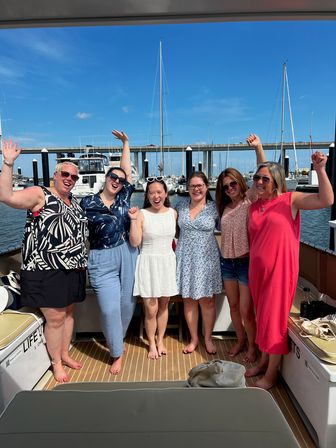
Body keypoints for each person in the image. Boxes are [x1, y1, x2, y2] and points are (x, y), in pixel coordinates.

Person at [0, 140, 88, 383]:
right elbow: (5, 196)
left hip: (73, 268)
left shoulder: (74, 203)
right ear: (55, 175)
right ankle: (56, 363)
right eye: (65, 174)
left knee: (69, 312)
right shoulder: (41, 194)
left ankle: (65, 353)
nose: (70, 179)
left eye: (74, 176)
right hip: (45, 269)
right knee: (56, 317)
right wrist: (8, 163)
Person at [246, 151, 334, 389]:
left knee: (273, 320)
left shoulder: (290, 200)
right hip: (257, 271)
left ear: (276, 180)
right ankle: (264, 361)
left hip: (279, 271)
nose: (260, 182)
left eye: (266, 179)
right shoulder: (254, 205)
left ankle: (271, 375)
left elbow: (326, 200)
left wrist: (321, 170)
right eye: (257, 178)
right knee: (261, 316)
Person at [80, 130, 138, 375]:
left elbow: (126, 170)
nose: (117, 181)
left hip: (127, 252)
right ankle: (117, 352)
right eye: (113, 177)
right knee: (108, 308)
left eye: (121, 180)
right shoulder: (87, 203)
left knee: (127, 303)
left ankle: (116, 340)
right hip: (101, 257)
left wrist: (126, 143)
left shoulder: (124, 198)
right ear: (106, 178)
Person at [215, 134, 266, 362]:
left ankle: (253, 347)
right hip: (227, 263)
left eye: (233, 183)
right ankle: (241, 340)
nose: (230, 188)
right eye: (225, 187)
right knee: (234, 306)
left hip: (245, 263)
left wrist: (258, 148)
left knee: (246, 310)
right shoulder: (223, 207)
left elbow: (263, 172)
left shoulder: (250, 199)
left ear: (240, 182)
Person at [128, 177, 178, 359]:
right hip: (148, 262)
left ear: (165, 193)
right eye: (152, 193)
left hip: (167, 262)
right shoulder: (141, 213)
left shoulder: (173, 213)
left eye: (159, 192)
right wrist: (133, 220)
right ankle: (151, 343)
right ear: (147, 196)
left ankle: (161, 340)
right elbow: (134, 242)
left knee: (164, 306)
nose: (156, 196)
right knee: (150, 308)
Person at [175, 171, 222, 354]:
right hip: (185, 258)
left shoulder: (214, 208)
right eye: (192, 186)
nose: (196, 189)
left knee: (208, 301)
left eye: (199, 185)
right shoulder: (180, 206)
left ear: (206, 187)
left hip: (207, 259)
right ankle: (194, 339)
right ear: (187, 188)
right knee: (189, 301)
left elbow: (227, 226)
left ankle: (208, 338)